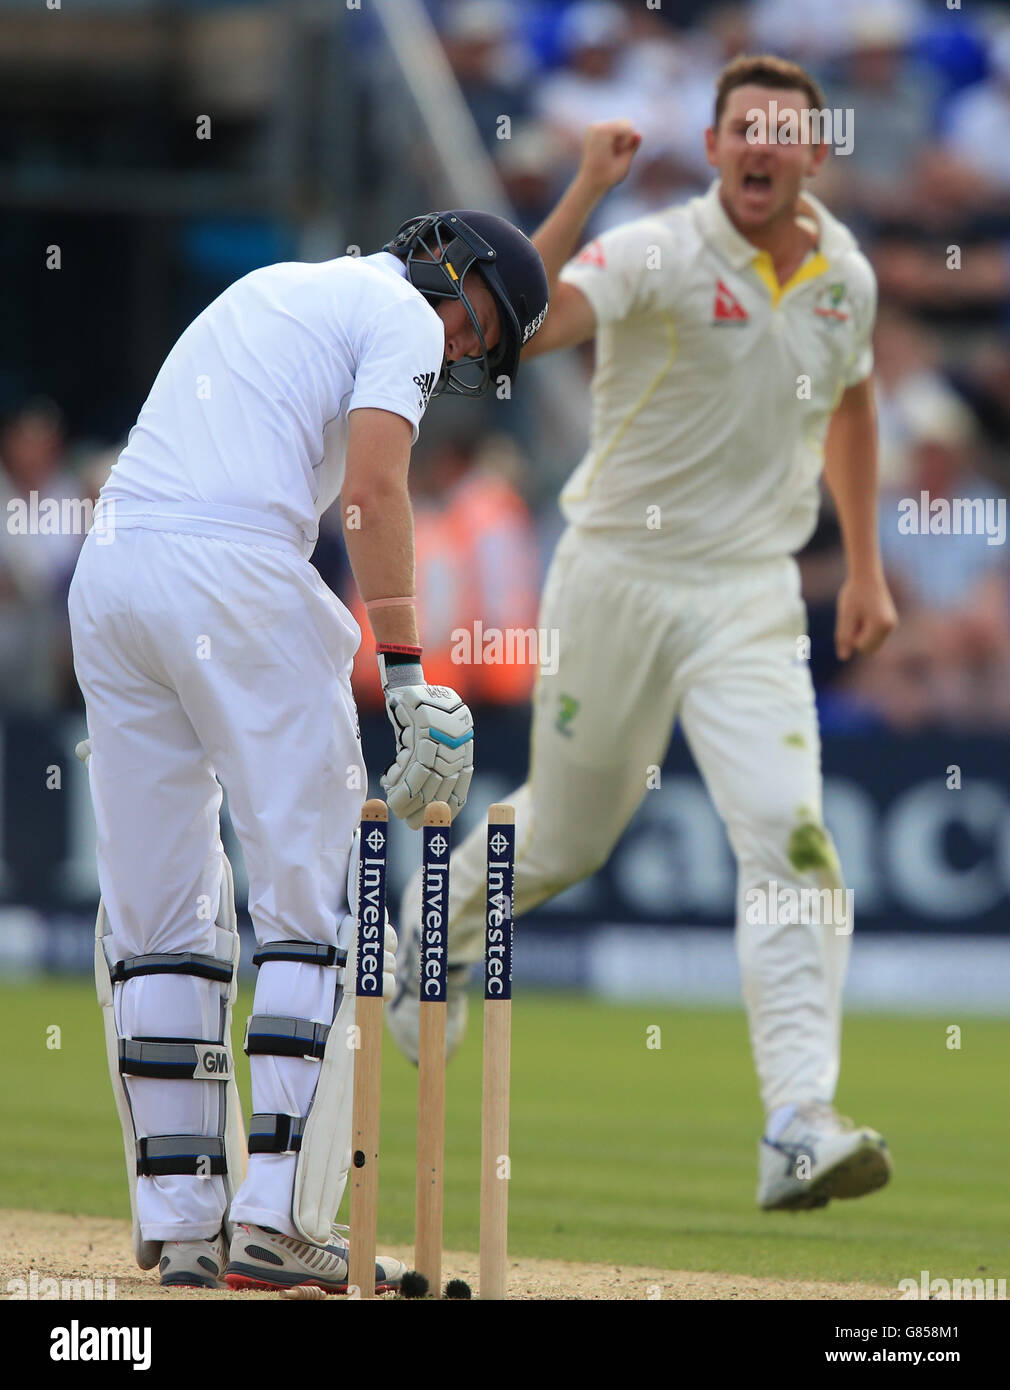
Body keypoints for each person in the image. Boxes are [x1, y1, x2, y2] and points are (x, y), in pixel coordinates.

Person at [389, 56, 899, 1213]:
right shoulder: (657, 247)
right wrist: (578, 193)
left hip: (750, 598)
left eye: (784, 130)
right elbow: (523, 326)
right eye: (741, 129)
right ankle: (442, 937)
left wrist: (862, 564)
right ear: (712, 147)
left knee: (792, 836)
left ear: (815, 153)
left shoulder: (845, 280)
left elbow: (856, 399)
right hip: (616, 576)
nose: (761, 146)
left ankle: (794, 1121)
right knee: (564, 839)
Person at [67, 210, 549, 1292]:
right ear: (449, 264)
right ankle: (280, 1218)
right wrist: (411, 673)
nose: (468, 348)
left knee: (159, 911)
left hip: (112, 574)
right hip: (233, 573)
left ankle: (184, 1219)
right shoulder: (401, 316)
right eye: (481, 323)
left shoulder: (284, 288)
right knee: (319, 897)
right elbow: (376, 491)